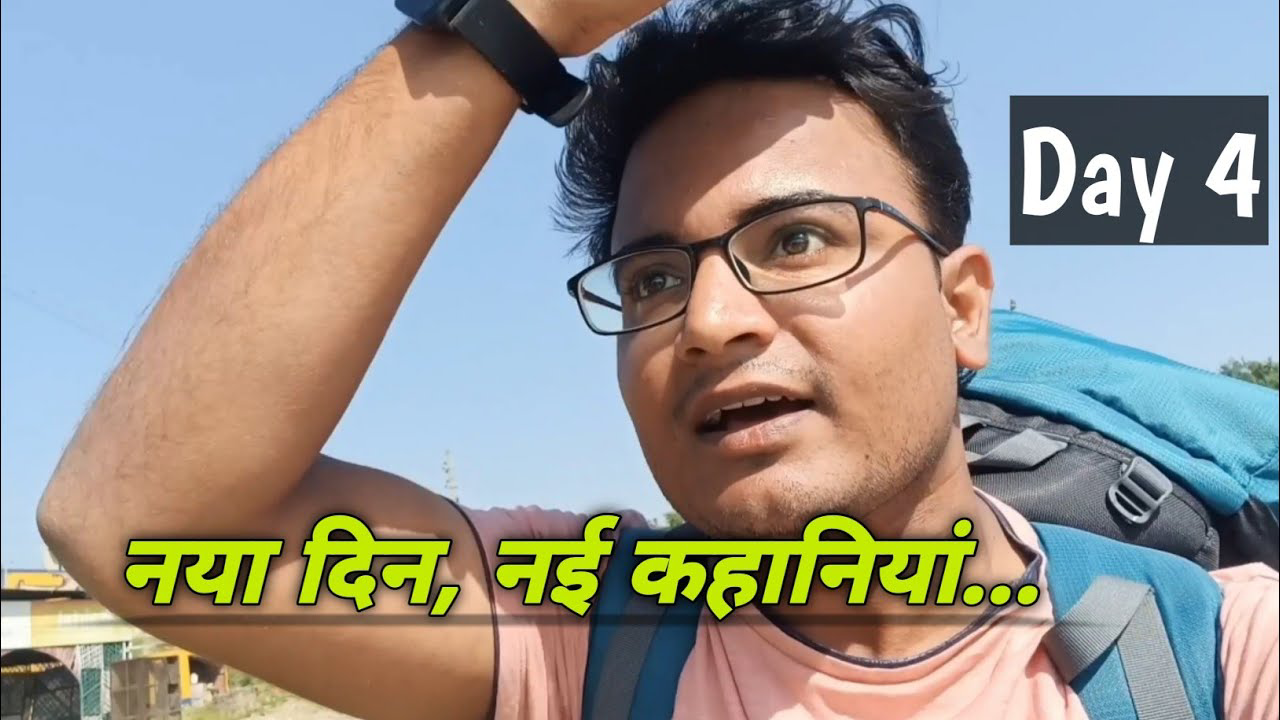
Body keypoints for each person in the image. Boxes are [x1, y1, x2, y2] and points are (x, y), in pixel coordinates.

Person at [35, 1, 1278, 719]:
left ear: (963, 309)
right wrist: (507, 30)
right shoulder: (592, 637)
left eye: (795, 238)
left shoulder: (1214, 658)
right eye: (651, 278)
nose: (710, 320)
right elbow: (143, 522)